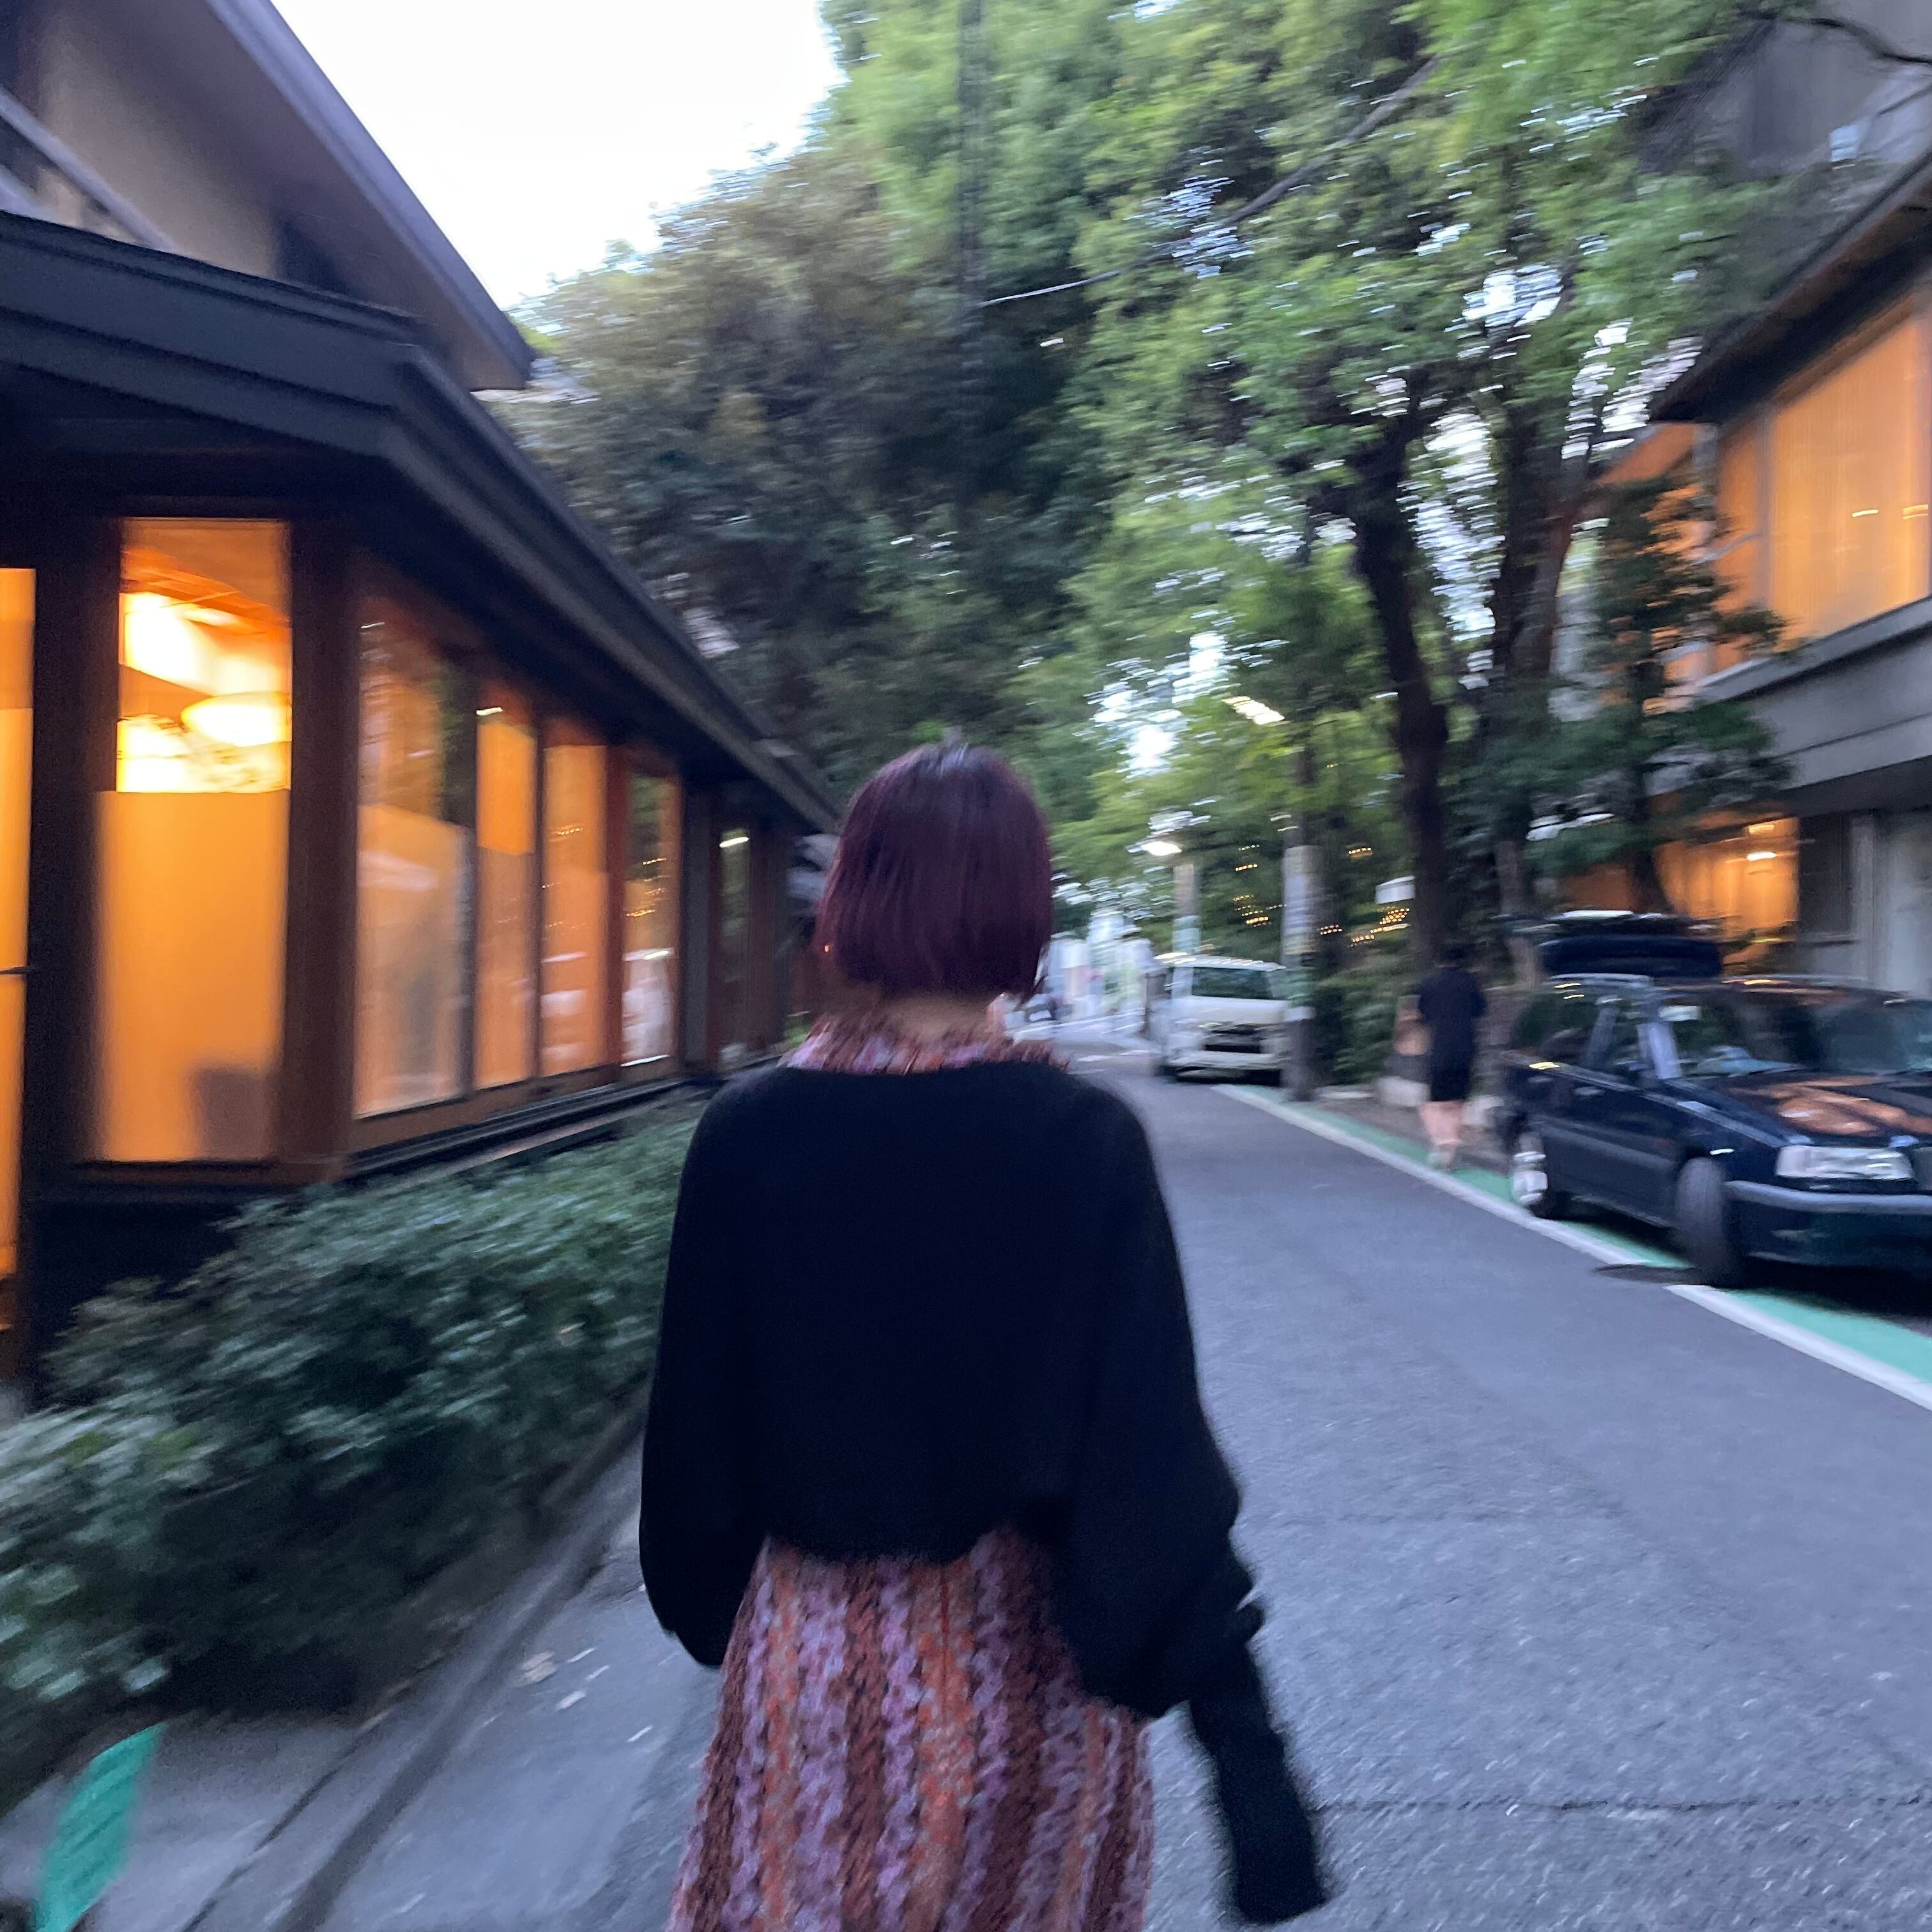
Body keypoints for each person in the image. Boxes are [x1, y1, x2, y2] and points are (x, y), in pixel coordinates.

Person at [640, 740, 1328, 1932]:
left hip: (815, 1667)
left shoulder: (750, 1136)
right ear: (1023, 905)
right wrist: (1245, 1751)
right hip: (1029, 1683)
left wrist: (721, 1613)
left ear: (855, 898)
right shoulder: (1080, 1141)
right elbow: (1149, 1463)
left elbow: (696, 1444)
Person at [1416, 942, 1487, 1169]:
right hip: (1465, 1048)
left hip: (1438, 1048)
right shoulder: (1470, 982)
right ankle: (1452, 1147)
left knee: (1436, 1101)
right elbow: (1480, 1010)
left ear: (1439, 960)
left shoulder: (1429, 983)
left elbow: (1422, 1013)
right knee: (1457, 1101)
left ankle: (1441, 1142)